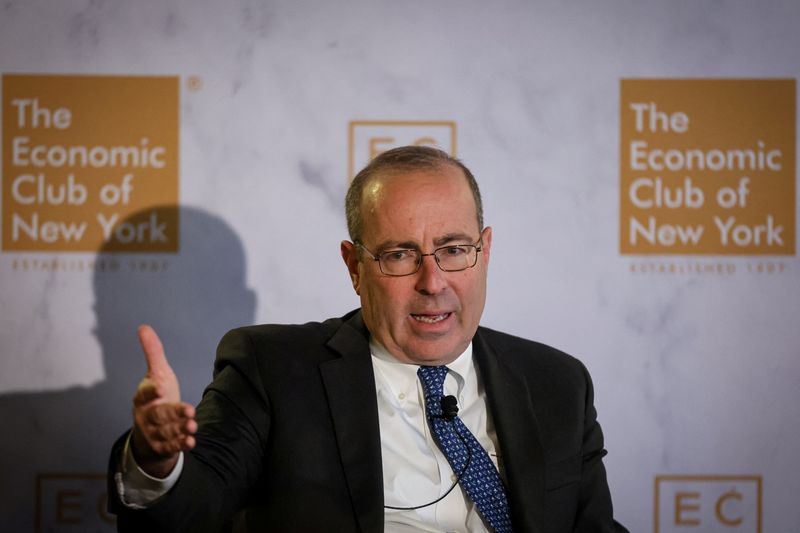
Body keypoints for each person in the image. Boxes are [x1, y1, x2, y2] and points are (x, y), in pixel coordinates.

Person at [108, 146, 628, 532]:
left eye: (453, 249)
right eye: (399, 255)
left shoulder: (556, 382)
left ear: (484, 250)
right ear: (355, 267)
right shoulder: (273, 371)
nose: (433, 282)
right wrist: (158, 463)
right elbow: (193, 507)